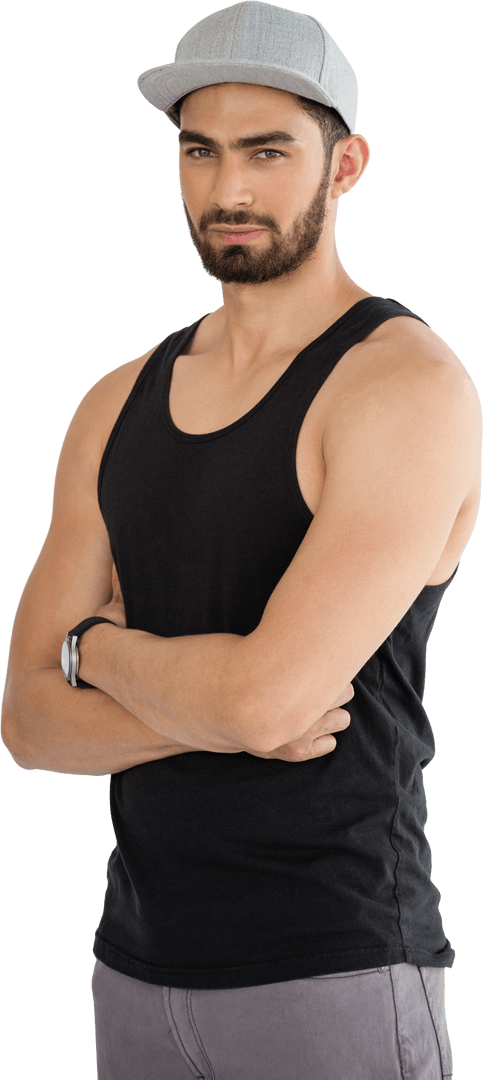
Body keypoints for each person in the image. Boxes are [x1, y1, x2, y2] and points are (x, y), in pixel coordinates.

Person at [2, 2, 481, 1077]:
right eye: (201, 151)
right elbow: (30, 720)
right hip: (134, 968)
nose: (230, 190)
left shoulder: (404, 387)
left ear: (345, 164)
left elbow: (261, 701)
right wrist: (219, 698)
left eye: (269, 152)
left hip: (335, 969)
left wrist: (100, 653)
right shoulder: (114, 401)